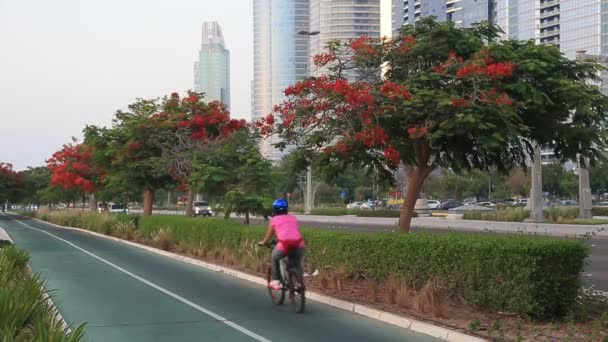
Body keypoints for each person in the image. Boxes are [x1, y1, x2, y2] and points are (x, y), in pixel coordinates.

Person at [259, 198, 305, 290]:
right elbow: (291, 231)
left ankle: (276, 281)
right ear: (286, 209)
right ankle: (298, 282)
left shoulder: (274, 219)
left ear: (274, 209)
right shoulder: (293, 217)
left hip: (284, 244)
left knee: (274, 257)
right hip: (299, 244)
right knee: (296, 262)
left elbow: (268, 236)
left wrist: (263, 242)